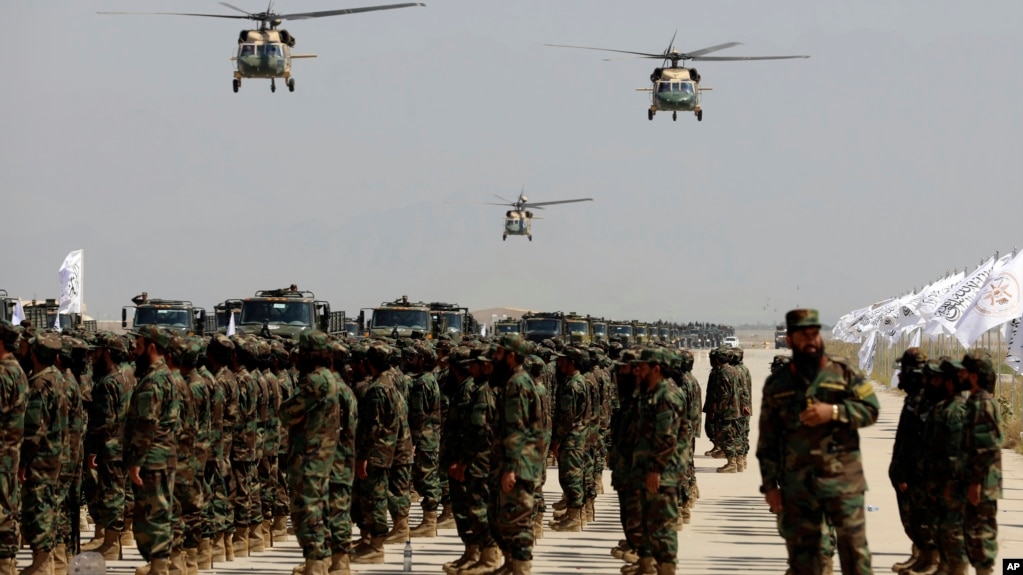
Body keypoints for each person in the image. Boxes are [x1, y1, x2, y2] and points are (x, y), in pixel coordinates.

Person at [757, 309, 879, 575]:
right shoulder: (777, 384)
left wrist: (834, 412)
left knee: (856, 556)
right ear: (789, 340)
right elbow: (767, 440)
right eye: (803, 335)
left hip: (843, 483)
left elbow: (870, 409)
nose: (810, 340)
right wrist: (769, 485)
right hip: (799, 487)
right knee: (805, 561)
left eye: (814, 334)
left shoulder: (843, 371)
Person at [279, 330, 339, 575]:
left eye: (302, 352)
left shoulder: (315, 381)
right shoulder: (328, 378)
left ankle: (316, 564)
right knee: (317, 509)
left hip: (310, 457)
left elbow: (286, 413)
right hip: (319, 456)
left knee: (308, 512)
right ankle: (319, 561)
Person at [124, 325, 180, 575]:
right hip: (161, 454)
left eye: (138, 347)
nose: (134, 352)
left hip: (153, 456)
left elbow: (147, 423)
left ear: (152, 348)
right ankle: (159, 563)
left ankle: (159, 567)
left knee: (155, 513)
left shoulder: (154, 380)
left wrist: (136, 460)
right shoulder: (164, 375)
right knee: (160, 510)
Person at [961, 351, 1002, 575]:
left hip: (983, 483)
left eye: (965, 371)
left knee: (981, 537)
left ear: (975, 376)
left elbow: (986, 448)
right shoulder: (975, 401)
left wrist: (976, 482)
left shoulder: (983, 404)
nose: (961, 375)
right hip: (975, 480)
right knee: (973, 536)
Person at [0, 321, 28, 575]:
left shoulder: (3, 374)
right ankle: (8, 562)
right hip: (12, 451)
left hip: (2, 452)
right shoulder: (17, 371)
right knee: (9, 506)